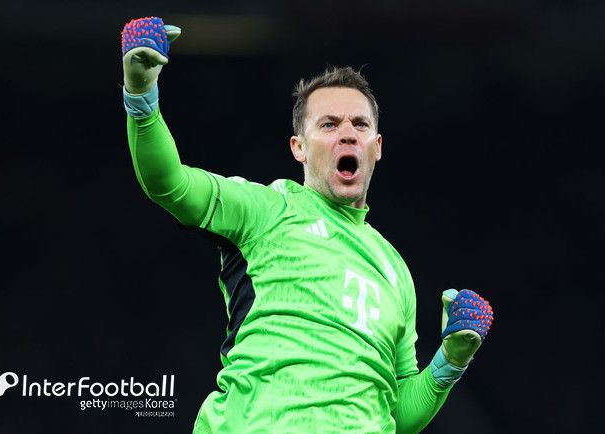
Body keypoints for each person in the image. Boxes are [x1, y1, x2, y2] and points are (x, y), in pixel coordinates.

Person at [120, 17, 494, 434]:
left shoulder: (395, 270)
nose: (347, 134)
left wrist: (450, 361)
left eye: (360, 124)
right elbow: (169, 184)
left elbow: (397, 413)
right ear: (299, 147)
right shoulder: (266, 209)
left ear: (377, 147)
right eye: (329, 124)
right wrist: (141, 95)